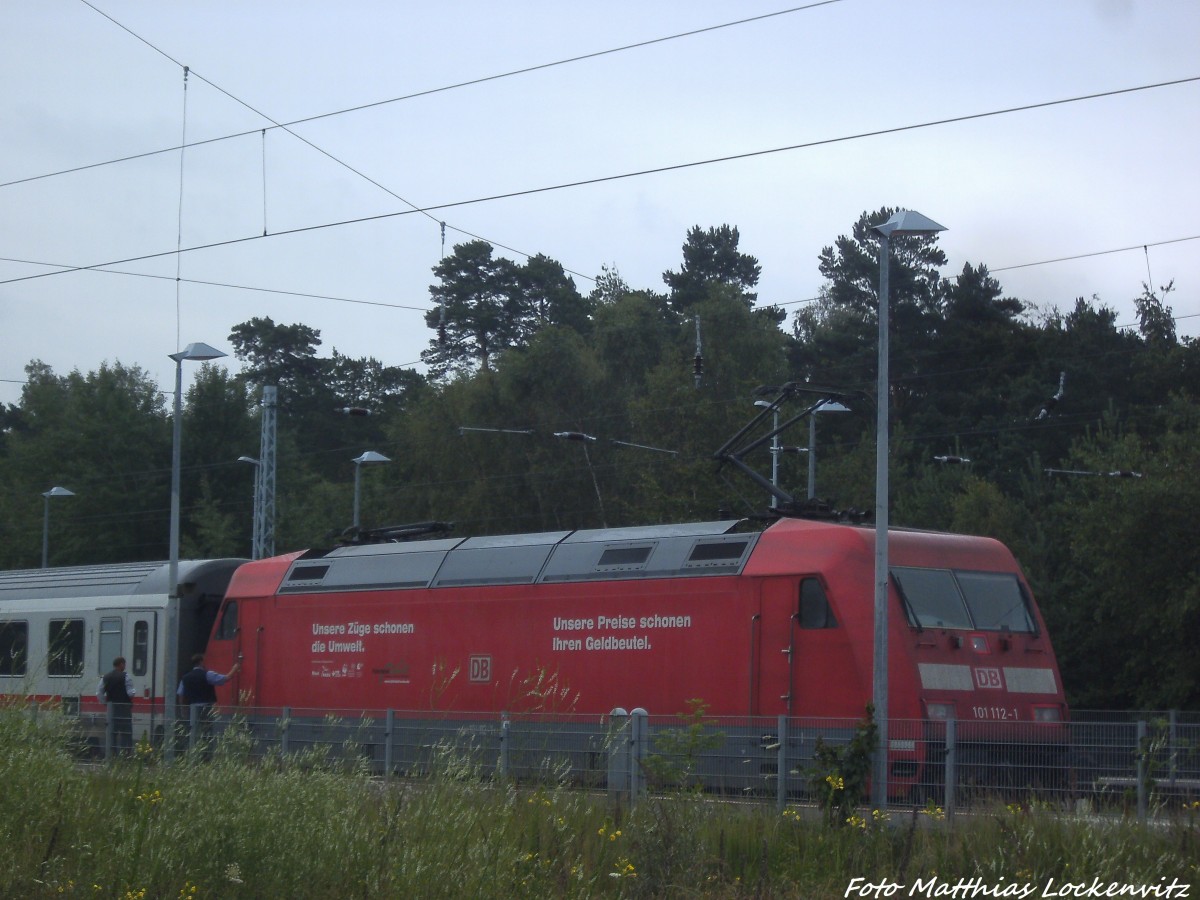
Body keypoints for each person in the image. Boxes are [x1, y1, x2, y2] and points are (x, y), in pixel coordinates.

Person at [176, 653, 240, 752]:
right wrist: (235, 668)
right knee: (206, 732)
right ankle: (206, 754)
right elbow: (225, 678)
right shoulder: (207, 675)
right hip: (206, 709)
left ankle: (193, 753)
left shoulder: (185, 678)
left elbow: (181, 695)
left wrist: (183, 710)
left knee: (193, 732)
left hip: (192, 709)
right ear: (201, 662)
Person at [97, 656, 135, 755]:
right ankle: (126, 754)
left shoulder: (105, 677)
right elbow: (131, 693)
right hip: (124, 709)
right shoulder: (126, 676)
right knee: (126, 733)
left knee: (112, 732)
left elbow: (99, 693)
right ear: (121, 664)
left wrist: (105, 703)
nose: (125, 666)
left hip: (112, 709)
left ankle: (112, 754)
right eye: (124, 664)